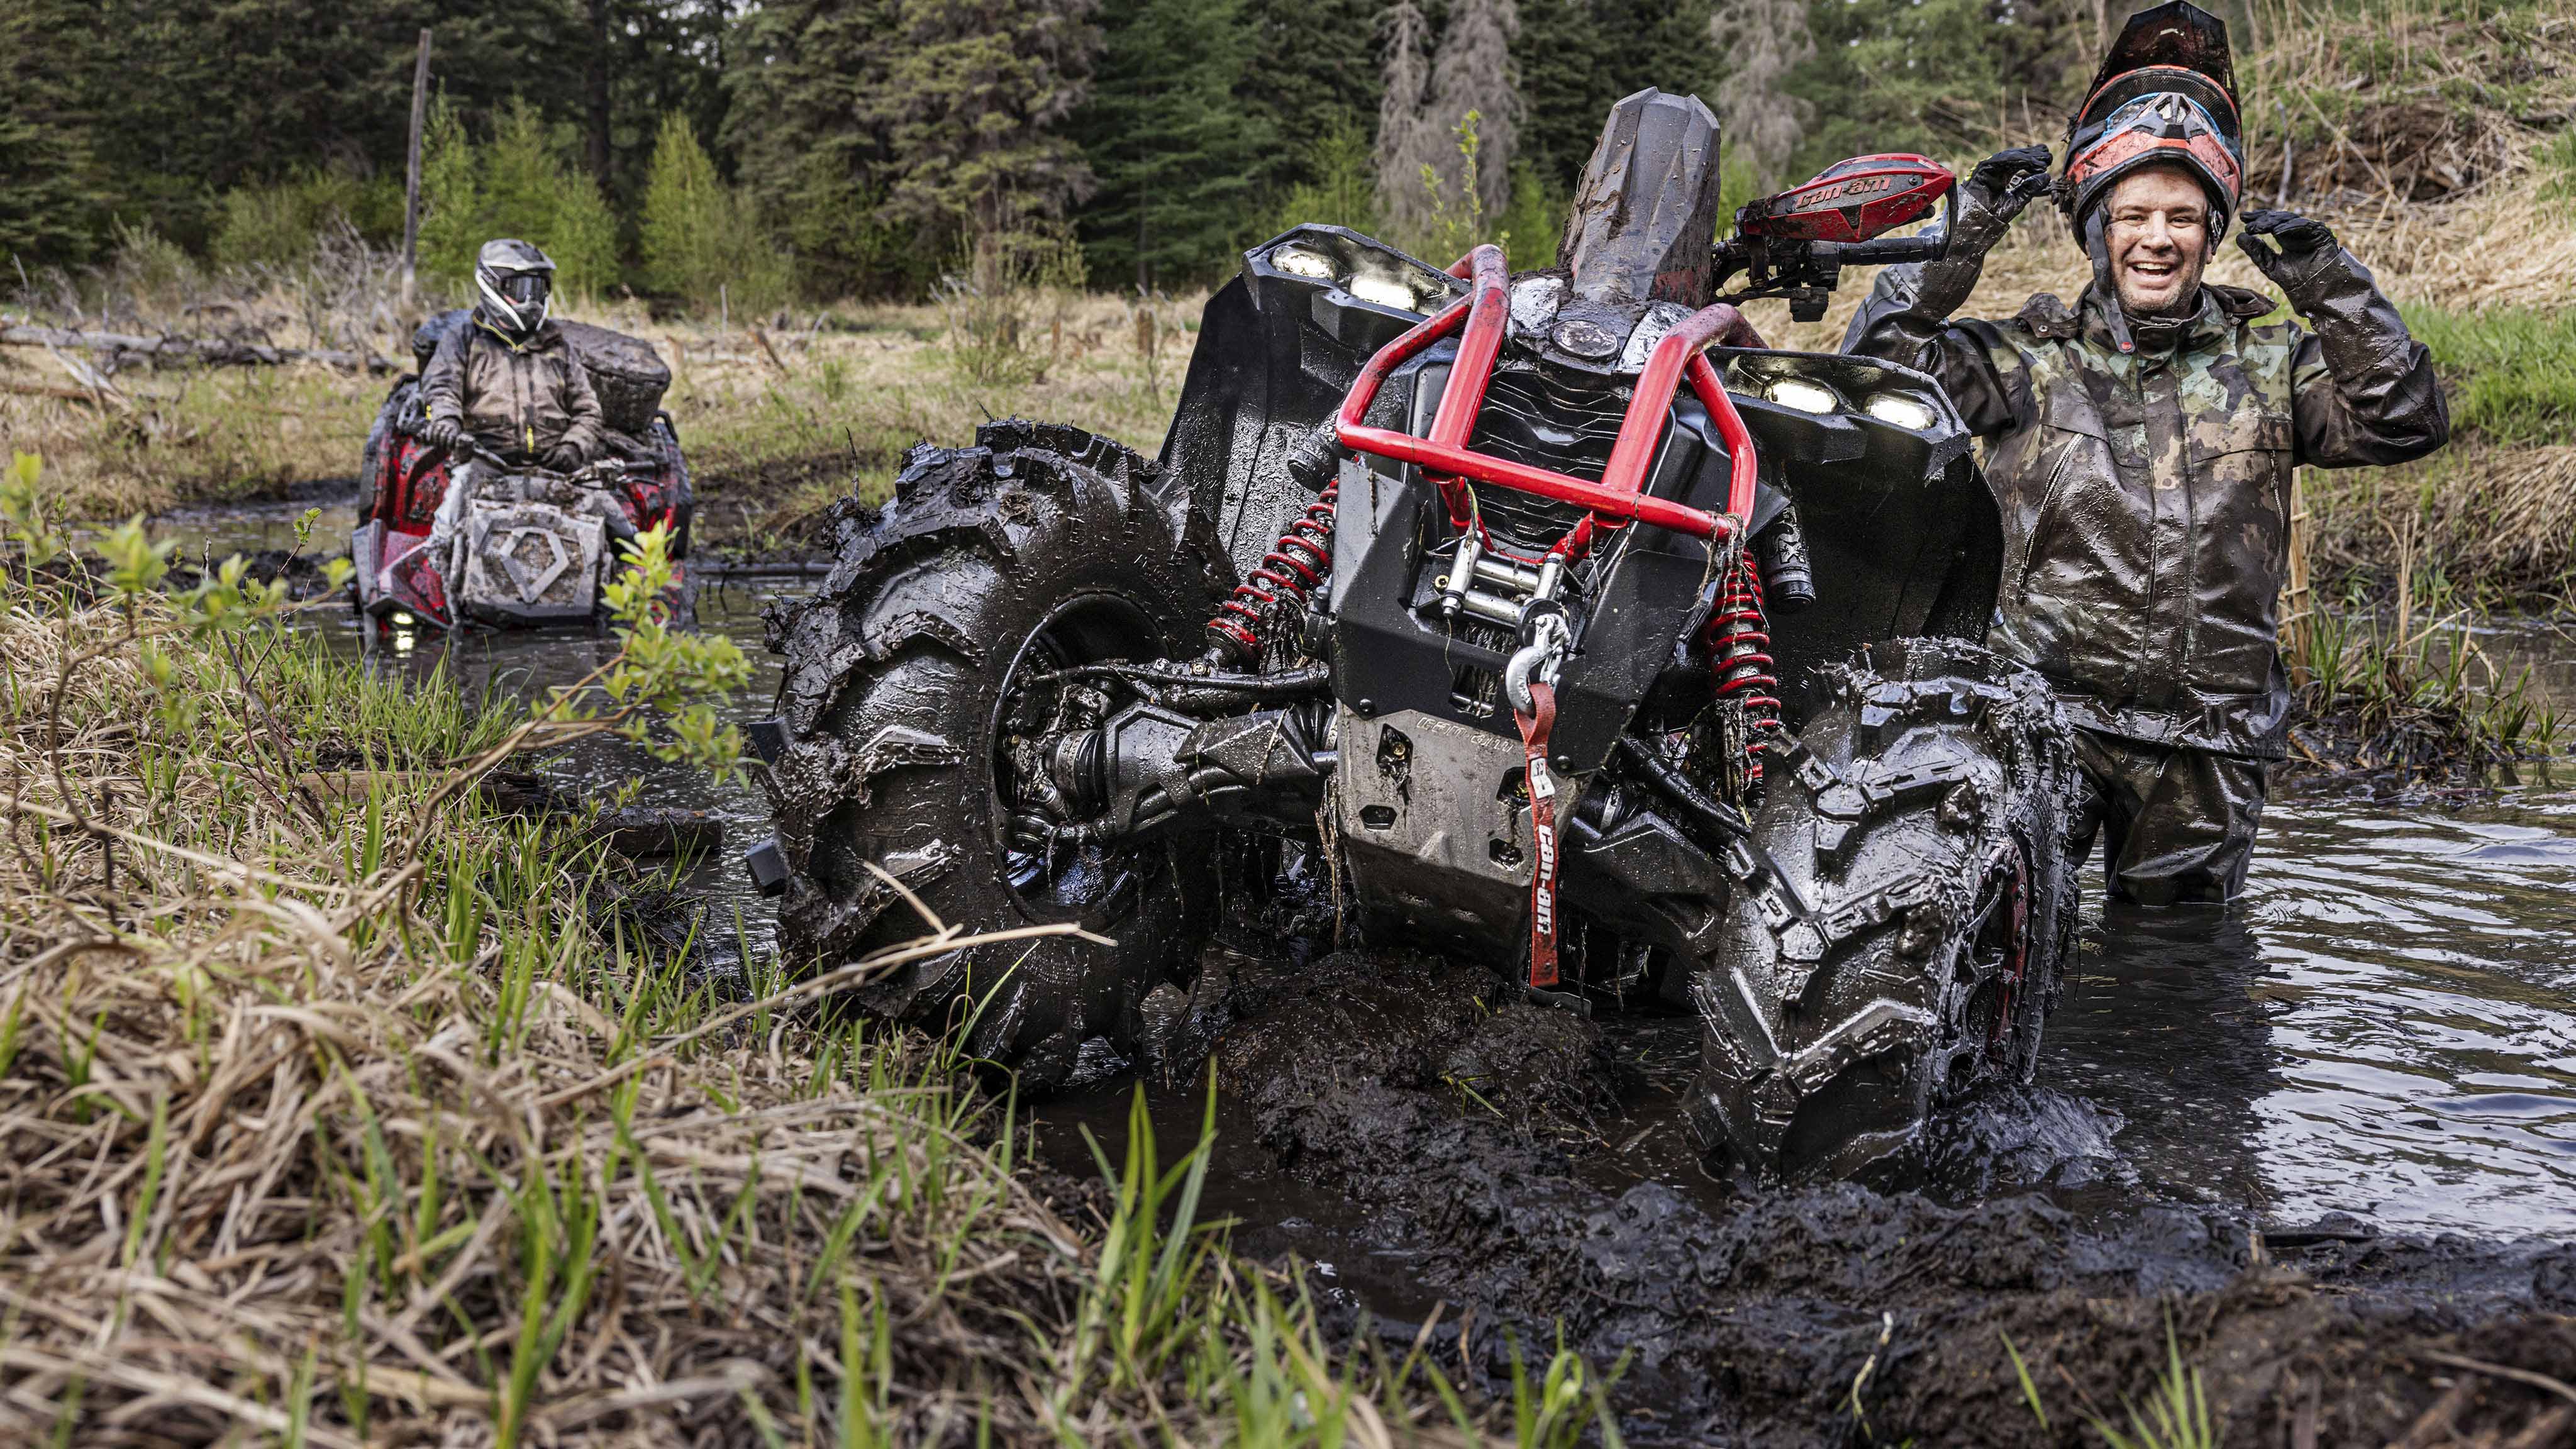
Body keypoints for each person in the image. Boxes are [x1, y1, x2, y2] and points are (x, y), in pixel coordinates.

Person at [1847, 1, 2447, 904]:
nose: (2157, 238)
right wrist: (1962, 229)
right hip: (2038, 720)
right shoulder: (2026, 359)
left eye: (2182, 215)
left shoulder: (2275, 361)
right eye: (2132, 214)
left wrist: (2330, 279)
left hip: (2208, 741)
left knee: (2181, 980)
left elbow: (2404, 417)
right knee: (2002, 948)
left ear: (2212, 231)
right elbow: (1875, 379)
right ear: (2098, 228)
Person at [417, 238, 603, 471]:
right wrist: (446, 422)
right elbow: (440, 389)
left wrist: (574, 446)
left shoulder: (558, 346)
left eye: (538, 289)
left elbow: (589, 409)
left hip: (553, 468)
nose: (531, 300)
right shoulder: (463, 339)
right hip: (480, 461)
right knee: (452, 505)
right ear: (491, 285)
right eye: (521, 289)